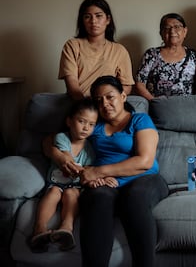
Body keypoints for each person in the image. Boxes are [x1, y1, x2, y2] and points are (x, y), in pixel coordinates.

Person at [44, 76, 169, 267]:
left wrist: (98, 172)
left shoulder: (140, 120)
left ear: (123, 96)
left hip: (145, 178)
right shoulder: (94, 124)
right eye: (98, 100)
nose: (105, 103)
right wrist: (60, 157)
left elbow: (145, 161)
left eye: (110, 97)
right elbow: (49, 140)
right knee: (97, 197)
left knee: (134, 197)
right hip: (105, 183)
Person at [29, 98, 104, 253]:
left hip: (74, 186)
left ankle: (66, 228)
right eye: (81, 121)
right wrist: (85, 171)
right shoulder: (61, 138)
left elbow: (89, 169)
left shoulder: (90, 149)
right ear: (69, 121)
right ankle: (39, 229)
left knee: (72, 194)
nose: (86, 128)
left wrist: (95, 178)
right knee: (53, 192)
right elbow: (67, 159)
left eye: (91, 124)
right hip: (55, 183)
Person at [58, 0, 135, 100]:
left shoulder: (119, 50)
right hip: (80, 104)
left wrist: (108, 100)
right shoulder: (72, 45)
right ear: (82, 21)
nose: (93, 21)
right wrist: (86, 105)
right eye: (87, 17)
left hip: (108, 105)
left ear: (108, 20)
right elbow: (72, 84)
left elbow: (126, 86)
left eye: (98, 16)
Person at [135, 13, 196, 100]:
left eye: (177, 27)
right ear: (161, 33)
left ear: (185, 31)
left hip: (187, 107)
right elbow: (139, 84)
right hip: (158, 106)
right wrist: (154, 102)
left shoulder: (193, 56)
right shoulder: (151, 54)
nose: (172, 31)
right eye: (167, 28)